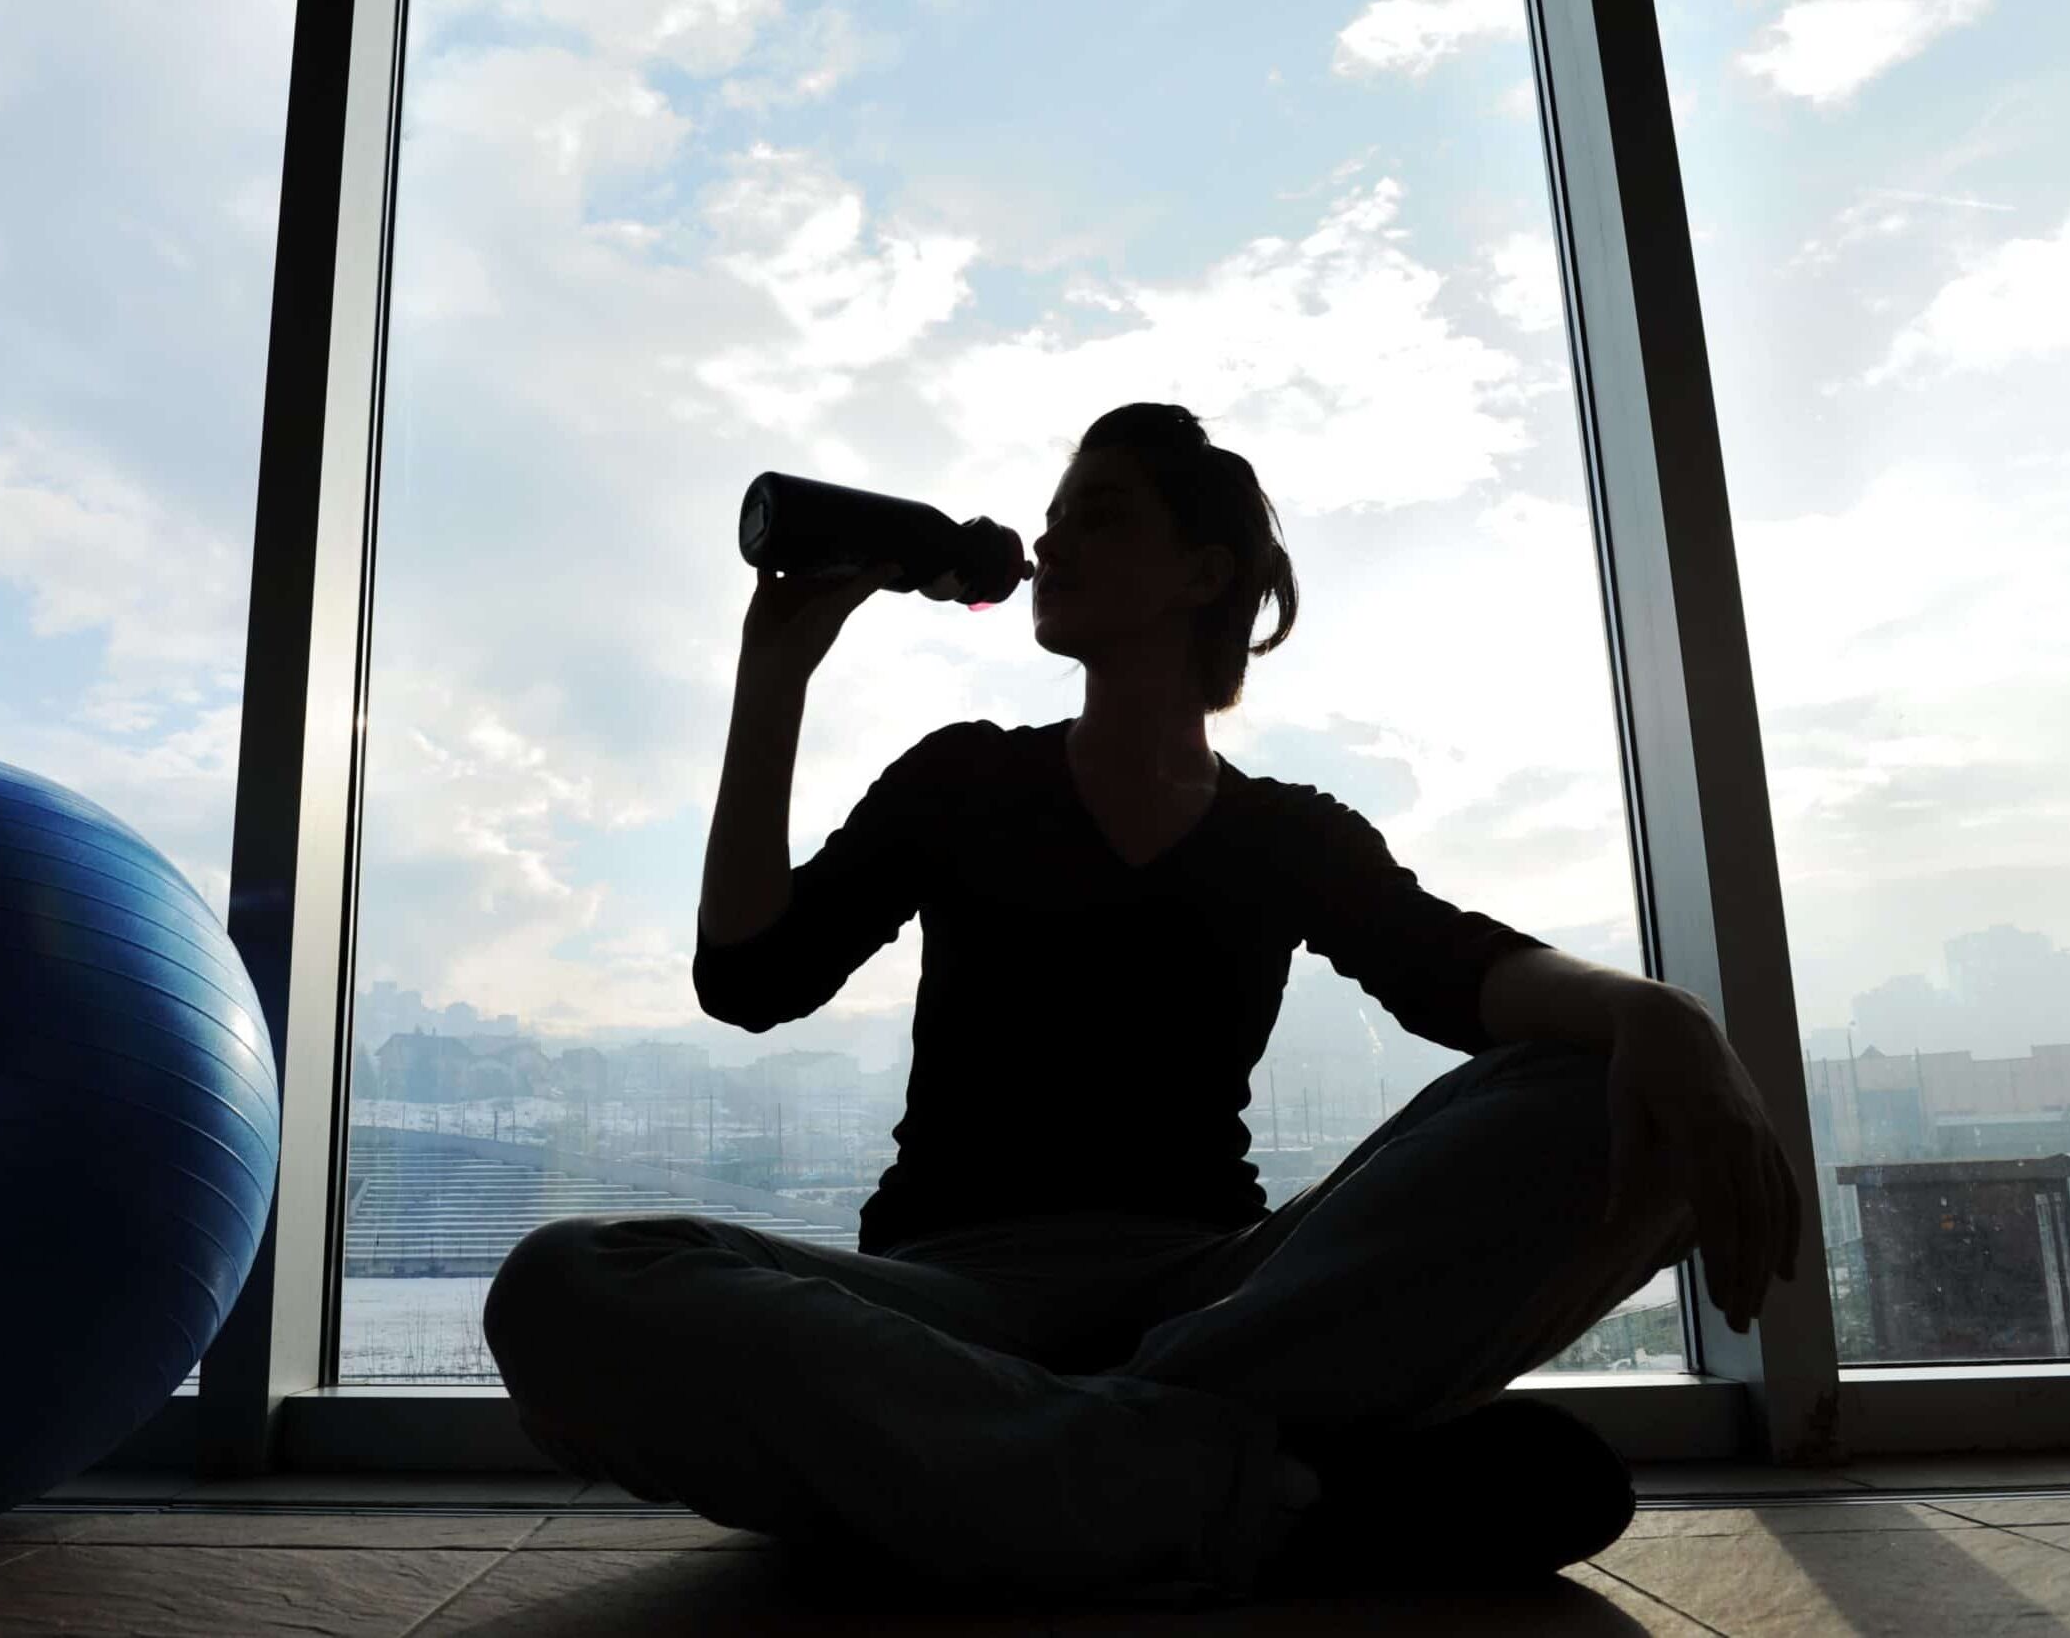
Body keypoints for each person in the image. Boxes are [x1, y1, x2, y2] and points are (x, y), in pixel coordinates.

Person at [482, 402, 1804, 1610]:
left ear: (1204, 572)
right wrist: (776, 675)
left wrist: (1665, 1017)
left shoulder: (1292, 834)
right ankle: (1242, 1482)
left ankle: (1019, 1470)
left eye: (1098, 515)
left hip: (1227, 1299)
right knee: (571, 1285)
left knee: (1623, 1091)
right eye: (1051, 520)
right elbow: (752, 982)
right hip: (948, 1295)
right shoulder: (963, 783)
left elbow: (1469, 977)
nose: (1051, 541)